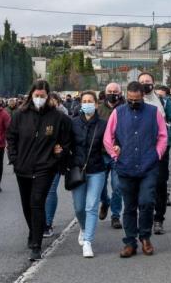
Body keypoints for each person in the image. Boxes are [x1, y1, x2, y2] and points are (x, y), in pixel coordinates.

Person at [7, 80, 73, 261]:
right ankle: (33, 230)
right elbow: (11, 137)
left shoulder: (57, 117)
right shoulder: (20, 115)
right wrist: (14, 158)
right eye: (36, 96)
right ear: (31, 96)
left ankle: (36, 245)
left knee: (37, 202)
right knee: (27, 204)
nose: (39, 99)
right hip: (23, 167)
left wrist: (61, 153)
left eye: (42, 96)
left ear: (48, 96)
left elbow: (67, 138)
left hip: (46, 167)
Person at [103, 81, 167, 258]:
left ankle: (145, 237)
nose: (133, 102)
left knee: (146, 202)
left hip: (149, 165)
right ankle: (130, 242)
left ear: (142, 97)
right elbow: (108, 138)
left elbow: (163, 136)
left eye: (137, 100)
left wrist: (157, 154)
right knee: (129, 206)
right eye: (130, 99)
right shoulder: (118, 113)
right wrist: (116, 156)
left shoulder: (154, 112)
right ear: (127, 96)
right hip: (126, 166)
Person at [70, 91, 109, 258]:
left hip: (97, 169)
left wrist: (114, 149)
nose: (87, 103)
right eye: (84, 101)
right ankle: (84, 227)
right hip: (77, 170)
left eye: (90, 101)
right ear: (80, 103)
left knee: (91, 206)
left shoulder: (103, 124)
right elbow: (66, 144)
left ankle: (88, 241)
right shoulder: (72, 124)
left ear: (96, 104)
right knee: (79, 207)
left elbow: (110, 142)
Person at [137, 72, 171, 235]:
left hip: (160, 151)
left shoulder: (164, 102)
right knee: (140, 186)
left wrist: (167, 141)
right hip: (139, 152)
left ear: (153, 83)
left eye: (148, 81)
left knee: (160, 185)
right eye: (142, 82)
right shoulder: (132, 102)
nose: (145, 84)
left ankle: (158, 219)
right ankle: (144, 216)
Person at [42, 93, 71, 237]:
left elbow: (68, 139)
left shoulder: (64, 118)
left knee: (50, 191)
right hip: (40, 161)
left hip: (56, 161)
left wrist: (61, 149)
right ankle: (40, 221)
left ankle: (47, 223)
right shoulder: (39, 116)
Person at [98, 82, 124, 230]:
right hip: (101, 154)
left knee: (117, 186)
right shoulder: (99, 110)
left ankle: (115, 215)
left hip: (118, 154)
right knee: (99, 185)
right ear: (105, 92)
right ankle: (105, 202)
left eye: (115, 91)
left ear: (120, 93)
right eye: (110, 91)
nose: (113, 93)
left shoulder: (125, 109)